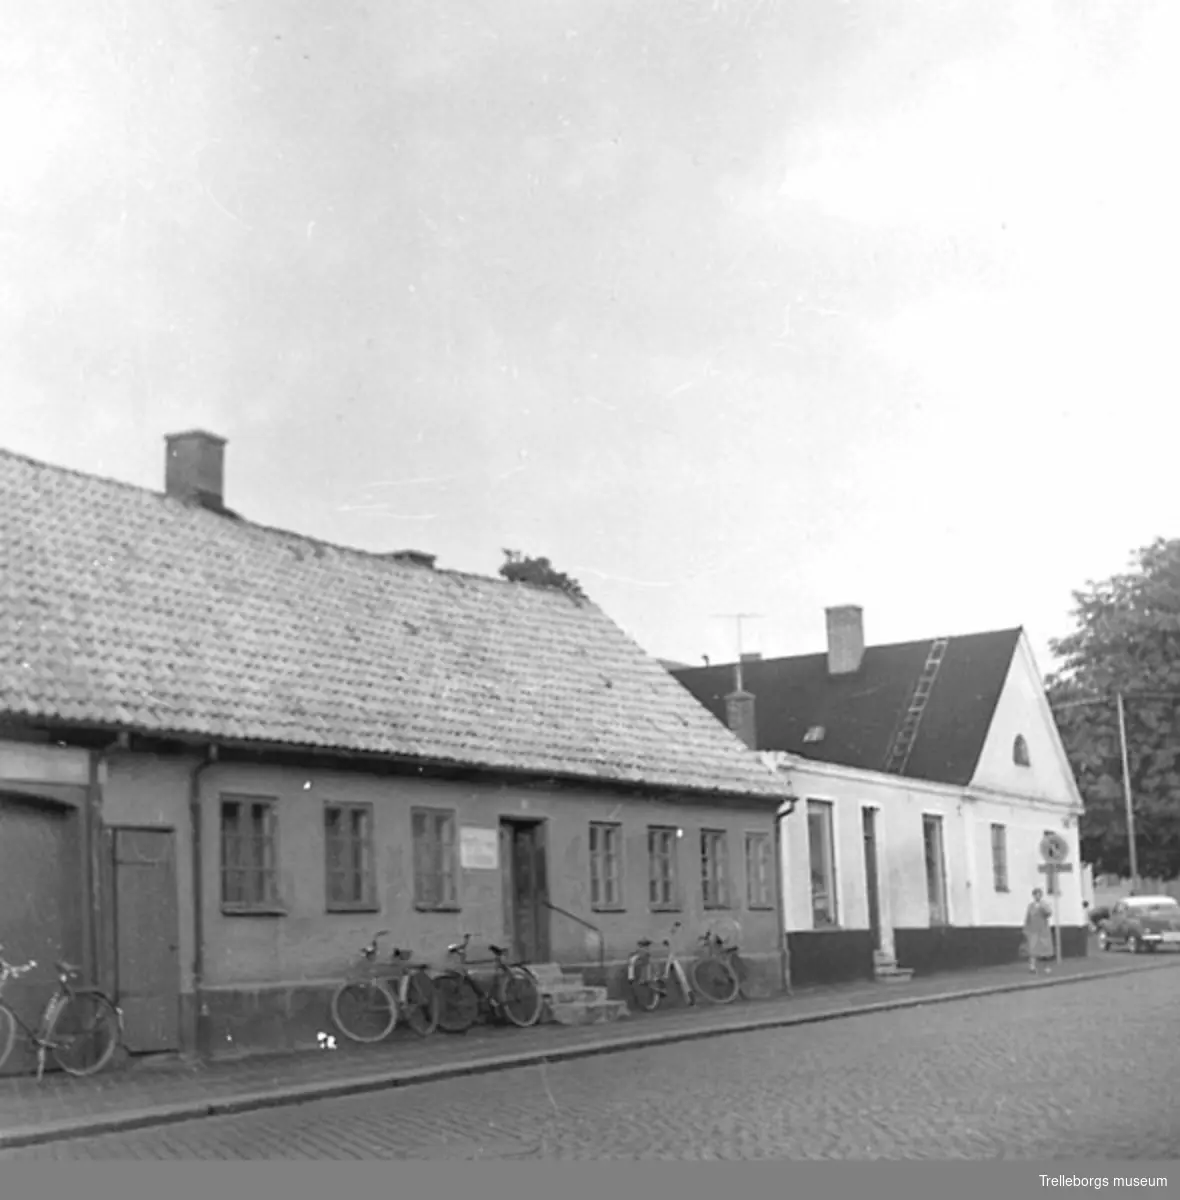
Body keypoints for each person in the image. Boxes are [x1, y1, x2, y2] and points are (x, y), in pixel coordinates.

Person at [1023, 887, 1055, 974]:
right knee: (1033, 949)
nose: (1037, 896)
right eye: (1035, 895)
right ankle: (1032, 967)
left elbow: (1049, 913)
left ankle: (1046, 966)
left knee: (1045, 950)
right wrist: (1026, 928)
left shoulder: (1044, 905)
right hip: (1033, 931)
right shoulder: (1030, 906)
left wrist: (1043, 906)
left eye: (1039, 895)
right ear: (1033, 896)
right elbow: (1027, 918)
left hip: (1043, 931)